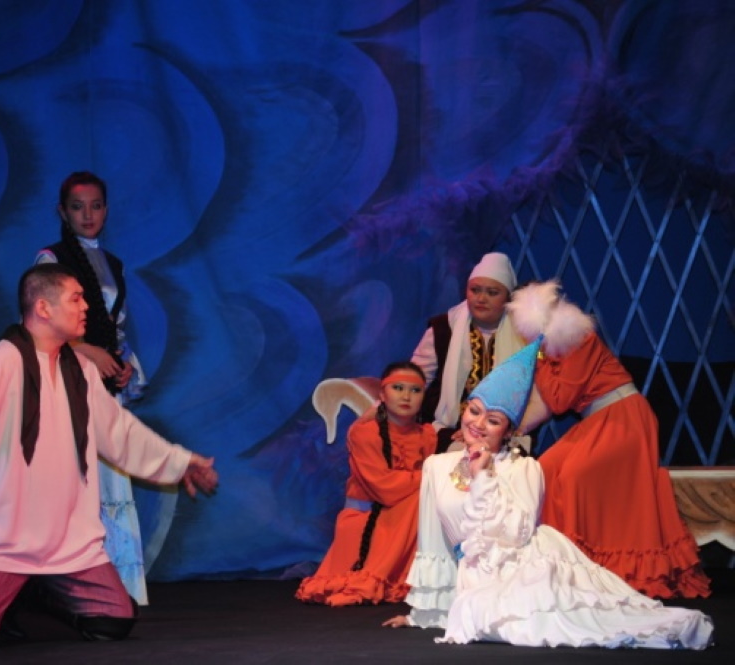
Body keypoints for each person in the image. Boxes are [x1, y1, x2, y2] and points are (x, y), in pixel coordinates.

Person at [0, 263, 218, 650]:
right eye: (76, 298)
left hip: (69, 540)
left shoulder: (81, 370)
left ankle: (35, 591)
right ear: (43, 308)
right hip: (6, 539)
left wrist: (179, 462)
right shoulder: (0, 362)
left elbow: (120, 433)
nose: (86, 306)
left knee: (114, 621)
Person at [382, 338, 714, 649]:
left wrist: (484, 476)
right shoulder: (437, 466)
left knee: (541, 625)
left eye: (493, 420)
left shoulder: (525, 468)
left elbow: (516, 534)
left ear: (508, 431)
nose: (478, 424)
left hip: (526, 567)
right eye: (474, 411)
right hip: (478, 577)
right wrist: (424, 615)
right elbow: (435, 546)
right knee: (481, 616)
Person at [506, 279, 710, 599]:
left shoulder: (577, 338)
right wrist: (509, 429)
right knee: (546, 468)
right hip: (598, 421)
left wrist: (538, 359)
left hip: (624, 418)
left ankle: (593, 563)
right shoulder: (555, 349)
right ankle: (558, 560)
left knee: (573, 477)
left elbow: (558, 400)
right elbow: (546, 402)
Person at [35, 171, 152, 605]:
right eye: (78, 206)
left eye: (96, 205)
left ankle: (117, 591)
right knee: (75, 488)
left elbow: (115, 332)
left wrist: (121, 367)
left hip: (102, 388)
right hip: (66, 383)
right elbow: (42, 325)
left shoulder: (113, 264)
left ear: (106, 209)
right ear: (62, 211)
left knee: (110, 487)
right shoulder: (51, 259)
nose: (88, 214)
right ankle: (70, 590)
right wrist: (88, 351)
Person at [296, 362, 437, 606]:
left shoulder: (427, 435)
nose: (406, 396)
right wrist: (431, 475)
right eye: (398, 388)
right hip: (367, 522)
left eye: (415, 390)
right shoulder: (365, 432)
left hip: (411, 524)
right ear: (382, 393)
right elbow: (385, 488)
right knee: (421, 495)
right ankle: (372, 575)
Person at [411, 252, 526, 453]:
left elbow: (537, 388)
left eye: (492, 293)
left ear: (508, 298)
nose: (481, 299)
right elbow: (415, 378)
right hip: (447, 430)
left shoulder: (525, 336)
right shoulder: (443, 329)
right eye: (475, 290)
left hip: (505, 434)